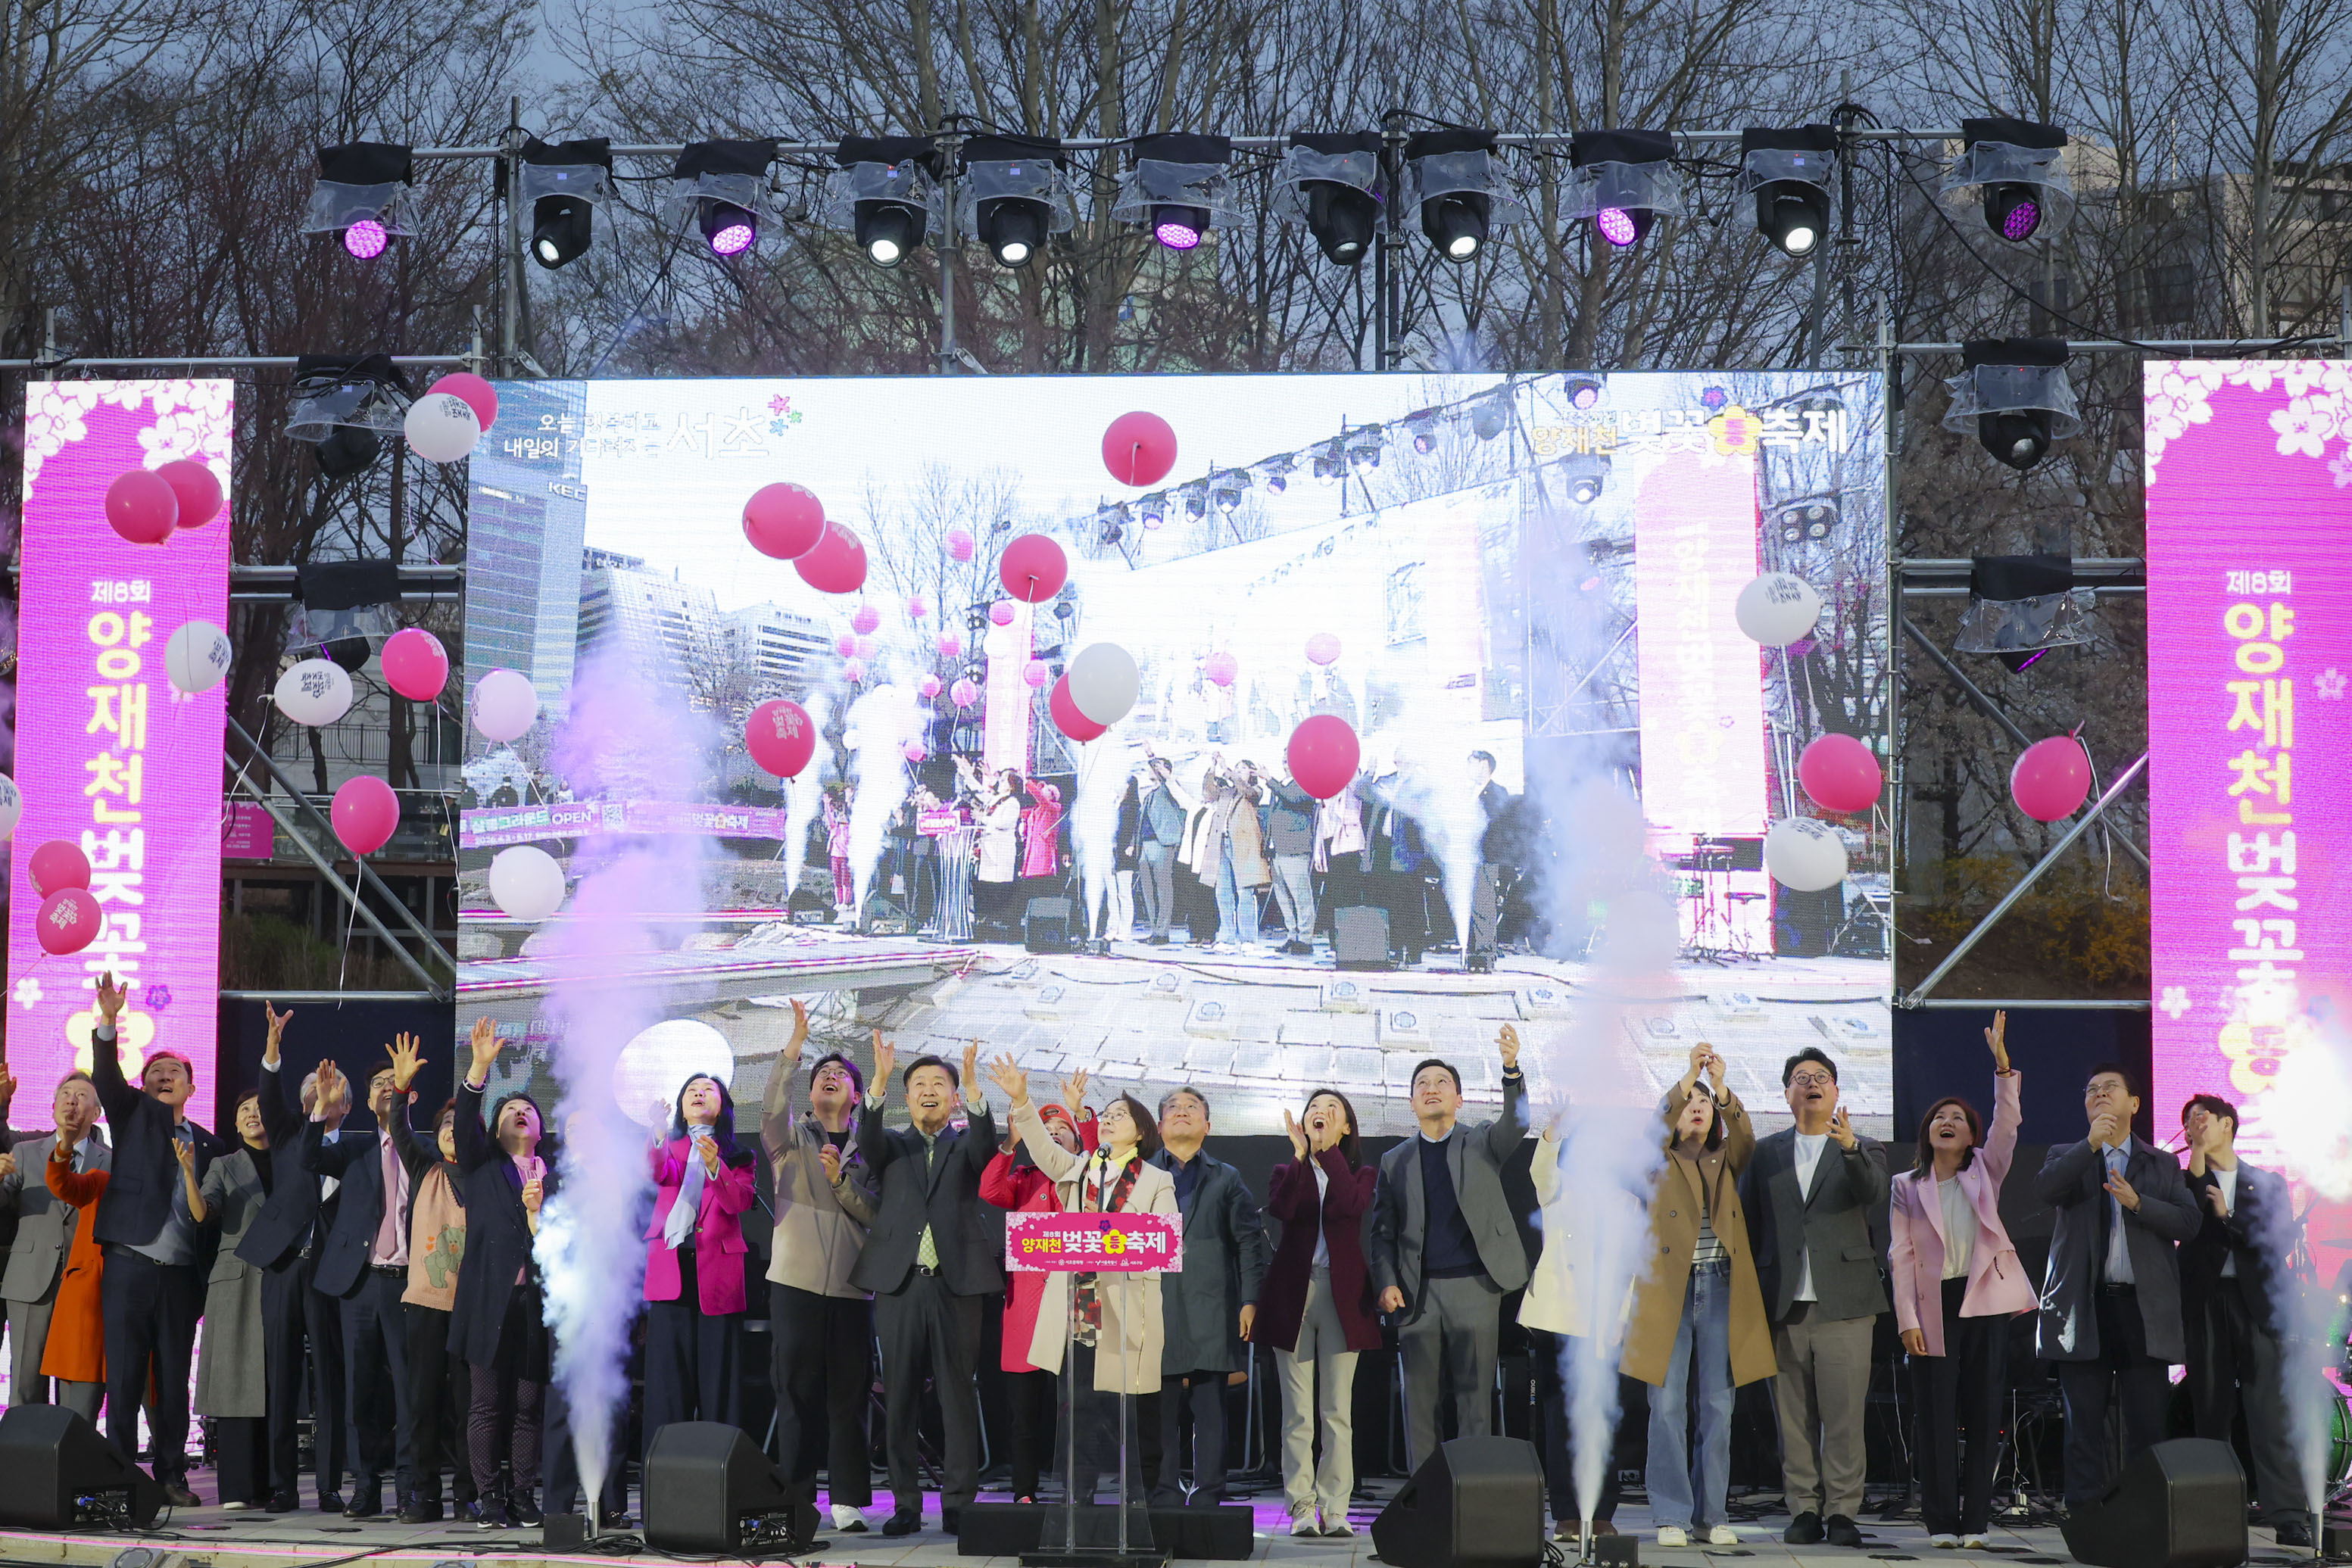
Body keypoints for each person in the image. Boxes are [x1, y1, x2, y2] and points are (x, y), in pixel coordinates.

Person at [987, 1058, 1177, 1506]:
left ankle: (1141, 1498)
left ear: (1141, 1132)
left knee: (1136, 1409)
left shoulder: (1157, 1179)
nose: (1108, 1120)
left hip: (1128, 1309)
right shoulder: (1079, 1169)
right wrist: (1021, 1100)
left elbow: (1164, 1243)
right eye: (1104, 1115)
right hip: (1079, 1306)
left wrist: (1099, 1238)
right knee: (1080, 1408)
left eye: (1119, 1115)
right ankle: (1080, 1494)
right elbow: (1041, 1147)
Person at [1888, 1012, 2032, 1550]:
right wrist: (1907, 1319)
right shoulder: (1906, 1185)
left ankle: (1976, 1523)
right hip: (1933, 1307)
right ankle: (1942, 1522)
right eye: (1938, 1117)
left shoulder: (1985, 1171)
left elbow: (2007, 1127)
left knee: (1983, 1411)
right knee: (1935, 1416)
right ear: (1928, 1132)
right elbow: (1901, 1255)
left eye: (1957, 1118)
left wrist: (2003, 1070)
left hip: (1983, 1303)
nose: (1946, 1121)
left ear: (1971, 1135)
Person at [1739, 1046, 1889, 1548]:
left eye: (1821, 1076)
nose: (1811, 1084)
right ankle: (1803, 1508)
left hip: (1845, 1303)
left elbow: (1874, 1193)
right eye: (1801, 1078)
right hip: (1783, 1304)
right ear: (1787, 1094)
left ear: (1836, 1091)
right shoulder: (1765, 1152)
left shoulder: (1863, 1146)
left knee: (1843, 1418)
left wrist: (1849, 1148)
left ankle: (1843, 1511)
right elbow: (1749, 1221)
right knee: (1793, 1420)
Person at [2034, 1061, 2200, 1510]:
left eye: (2111, 1088)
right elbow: (2046, 1190)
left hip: (2143, 1310)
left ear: (2135, 1103)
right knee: (2083, 1424)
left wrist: (2139, 1203)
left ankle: (2145, 1515)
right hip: (2083, 1307)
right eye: (2092, 1090)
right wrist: (2090, 1146)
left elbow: (2190, 1222)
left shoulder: (2162, 1163)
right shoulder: (2065, 1154)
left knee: (2147, 1423)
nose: (2100, 1094)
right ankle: (2086, 1518)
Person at [1627, 1046, 1773, 1551]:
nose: (1697, 1106)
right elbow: (1652, 1132)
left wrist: (1722, 1087)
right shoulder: (1657, 1158)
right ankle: (1671, 1513)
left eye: (1704, 1102)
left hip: (1721, 1286)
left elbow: (1746, 1137)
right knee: (1666, 1405)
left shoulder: (1728, 1156)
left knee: (1717, 1406)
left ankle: (1712, 1514)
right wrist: (1690, 1075)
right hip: (1668, 1289)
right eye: (1689, 1101)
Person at [850, 1040, 999, 1536]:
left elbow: (986, 1148)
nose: (929, 1090)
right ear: (907, 1097)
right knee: (900, 1397)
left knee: (958, 1396)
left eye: (940, 1084)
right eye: (919, 1084)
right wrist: (878, 1080)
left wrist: (975, 1088)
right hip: (901, 1286)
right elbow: (867, 1137)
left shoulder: (966, 1144)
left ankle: (958, 1502)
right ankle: (906, 1504)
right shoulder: (892, 1146)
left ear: (953, 1097)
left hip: (958, 1286)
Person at [87, 970, 223, 1505]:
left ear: (192, 1086)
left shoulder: (210, 1145)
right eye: (156, 1072)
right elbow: (106, 1078)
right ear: (144, 1085)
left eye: (176, 1072)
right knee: (123, 1379)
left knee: (172, 1381)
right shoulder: (131, 1114)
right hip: (130, 1266)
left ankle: (171, 1474)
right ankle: (121, 1478)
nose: (165, 1076)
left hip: (182, 1277)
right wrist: (109, 1021)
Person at [1370, 1028, 1530, 1471]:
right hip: (1416, 1293)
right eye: (1422, 1084)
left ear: (1459, 1099)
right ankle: (1425, 1496)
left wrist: (1511, 1070)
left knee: (1475, 1399)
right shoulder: (1394, 1161)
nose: (1432, 1088)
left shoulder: (1481, 1141)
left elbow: (1517, 1122)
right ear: (1412, 1103)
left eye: (1442, 1082)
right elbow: (1381, 1231)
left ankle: (1474, 1491)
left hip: (1476, 1287)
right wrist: (1386, 1282)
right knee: (1419, 1403)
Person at [763, 1002, 880, 1532]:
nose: (830, 1077)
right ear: (811, 1093)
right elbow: (772, 1104)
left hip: (854, 1289)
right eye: (822, 1074)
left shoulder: (870, 1151)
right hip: (795, 1283)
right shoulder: (790, 1141)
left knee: (850, 1396)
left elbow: (876, 1214)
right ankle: (796, 1496)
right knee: (796, 1394)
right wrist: (795, 1047)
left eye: (841, 1074)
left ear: (856, 1094)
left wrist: (840, 1182)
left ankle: (848, 1499)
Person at [2179, 1091, 2313, 1548]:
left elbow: (2277, 1241)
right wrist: (2198, 1163)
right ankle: (2211, 1514)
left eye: (2203, 1117)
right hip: (2205, 1302)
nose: (2195, 1125)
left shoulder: (2268, 1182)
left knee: (2269, 1410)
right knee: (2210, 1409)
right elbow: (2186, 1221)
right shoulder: (2185, 1179)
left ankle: (2289, 1516)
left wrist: (2229, 1216)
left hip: (2257, 1304)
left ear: (2228, 1125)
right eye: (2188, 1121)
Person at [1251, 1089, 1377, 1536]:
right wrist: (1303, 1157)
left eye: (1330, 1110)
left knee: (1336, 1410)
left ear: (1346, 1126)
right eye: (1313, 1110)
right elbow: (1283, 1209)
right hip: (1293, 1294)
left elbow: (1353, 1204)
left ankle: (1336, 1508)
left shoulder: (1361, 1173)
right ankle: (1302, 1506)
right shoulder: (1288, 1170)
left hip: (1343, 1297)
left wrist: (1328, 1154)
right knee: (1298, 1413)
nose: (1319, 1114)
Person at [304, 1049, 423, 1519]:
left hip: (410, 1284)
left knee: (409, 1393)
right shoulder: (353, 1149)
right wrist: (321, 1108)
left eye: (396, 1080)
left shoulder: (425, 1150)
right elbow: (309, 1157)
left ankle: (410, 1489)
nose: (387, 1087)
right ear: (367, 1100)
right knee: (359, 1390)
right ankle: (366, 1487)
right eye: (378, 1083)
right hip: (360, 1284)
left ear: (410, 1092)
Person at [1521, 1096, 1645, 1542]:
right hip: (1558, 1319)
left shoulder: (1628, 1204)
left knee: (1604, 1414)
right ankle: (1566, 1513)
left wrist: (1621, 1319)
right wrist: (1553, 1129)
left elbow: (1631, 1270)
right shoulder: (1560, 1186)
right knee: (1559, 1416)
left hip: (1603, 1323)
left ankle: (1603, 1510)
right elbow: (1539, 1171)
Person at [242, 1003, 351, 1512]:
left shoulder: (357, 1152)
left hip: (330, 1275)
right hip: (284, 1266)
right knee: (282, 1378)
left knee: (328, 1378)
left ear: (346, 1105)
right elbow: (269, 1094)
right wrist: (273, 1047)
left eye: (331, 1088)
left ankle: (328, 1485)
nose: (321, 1091)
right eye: (313, 1087)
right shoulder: (287, 1134)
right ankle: (283, 1485)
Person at [451, 1018, 555, 1529]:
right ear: (495, 1130)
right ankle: (489, 1495)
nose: (520, 1112)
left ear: (540, 1128)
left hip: (537, 1304)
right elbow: (463, 1123)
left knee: (529, 1405)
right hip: (488, 1301)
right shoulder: (483, 1167)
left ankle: (523, 1495)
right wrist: (479, 1068)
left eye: (528, 1109)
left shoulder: (557, 1175)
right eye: (510, 1109)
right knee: (487, 1404)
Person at [1149, 1087, 1269, 1507]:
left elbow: (1248, 1243)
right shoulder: (1139, 1175)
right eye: (1173, 1108)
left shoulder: (1226, 1177)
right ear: (1159, 1125)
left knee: (1211, 1410)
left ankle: (1208, 1495)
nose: (1181, 1112)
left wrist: (1250, 1300)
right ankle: (1163, 1493)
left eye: (1191, 1108)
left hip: (1212, 1305)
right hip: (1155, 1305)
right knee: (1159, 1411)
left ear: (1208, 1125)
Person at [980, 1077, 1095, 1504]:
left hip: (1077, 1306)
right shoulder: (1023, 1179)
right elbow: (989, 1190)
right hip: (1026, 1311)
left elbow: (1097, 1152)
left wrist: (1081, 1114)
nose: (1053, 1135)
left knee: (1079, 1409)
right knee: (1024, 1412)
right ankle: (1024, 1492)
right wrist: (1010, 1143)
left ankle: (1079, 1492)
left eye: (1062, 1129)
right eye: (1044, 1131)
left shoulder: (1088, 1179)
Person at [383, 1033, 476, 1525]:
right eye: (445, 1126)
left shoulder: (488, 1176)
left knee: (469, 1407)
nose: (452, 1132)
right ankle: (423, 1494)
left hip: (471, 1308)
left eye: (461, 1126)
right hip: (424, 1303)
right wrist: (400, 1089)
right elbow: (400, 1128)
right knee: (422, 1403)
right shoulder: (425, 1169)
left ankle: (467, 1494)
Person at [641, 1071, 757, 1448]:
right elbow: (656, 1173)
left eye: (709, 1090)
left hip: (718, 1279)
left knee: (719, 1386)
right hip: (671, 1275)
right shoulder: (670, 1148)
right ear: (682, 1106)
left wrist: (715, 1167)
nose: (699, 1093)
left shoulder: (739, 1156)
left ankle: (720, 1470)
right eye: (691, 1089)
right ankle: (663, 1472)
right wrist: (658, 1134)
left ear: (721, 1107)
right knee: (667, 1388)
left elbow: (739, 1202)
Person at [0, 1065, 109, 1419]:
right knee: (26, 1383)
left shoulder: (111, 1161)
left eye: (82, 1096)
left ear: (97, 1113)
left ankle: (73, 1450)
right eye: (65, 1094)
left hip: (85, 1286)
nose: (72, 1101)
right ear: (53, 1107)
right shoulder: (26, 1151)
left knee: (78, 1387)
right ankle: (21, 1451)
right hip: (30, 1279)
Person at [191, 1089, 273, 1508]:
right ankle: (238, 1488)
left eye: (260, 1107)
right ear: (236, 1124)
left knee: (274, 1381)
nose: (252, 1114)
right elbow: (203, 1213)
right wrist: (187, 1174)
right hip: (236, 1279)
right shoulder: (223, 1165)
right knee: (236, 1379)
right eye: (244, 1110)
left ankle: (275, 1485)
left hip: (281, 1278)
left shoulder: (292, 1161)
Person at [34, 1116, 111, 1443]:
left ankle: (162, 1470)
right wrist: (64, 1146)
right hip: (90, 1304)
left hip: (146, 1304)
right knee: (77, 1416)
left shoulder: (170, 1185)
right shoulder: (102, 1180)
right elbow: (62, 1184)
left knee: (152, 1403)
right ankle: (70, 1468)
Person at [1196, 762, 1268, 954]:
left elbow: (1247, 791)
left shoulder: (1255, 790)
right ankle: (1227, 937)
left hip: (1244, 846)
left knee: (1245, 892)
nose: (1237, 771)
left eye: (1242, 768)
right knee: (1223, 892)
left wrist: (1229, 772)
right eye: (1236, 768)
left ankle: (1248, 939)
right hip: (1221, 843)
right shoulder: (1226, 792)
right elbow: (1209, 792)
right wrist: (1212, 769)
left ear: (1251, 772)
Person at [1262, 768, 1319, 955]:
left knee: (1301, 896)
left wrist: (1270, 779)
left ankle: (1305, 939)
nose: (1286, 762)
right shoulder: (1282, 784)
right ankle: (1292, 935)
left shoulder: (1307, 782)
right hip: (1277, 850)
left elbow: (1293, 798)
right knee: (1283, 897)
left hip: (1295, 848)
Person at [1137, 755, 1193, 946]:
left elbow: (1170, 783)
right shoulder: (1149, 793)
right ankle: (1154, 929)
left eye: (1158, 768)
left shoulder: (1169, 787)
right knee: (1148, 890)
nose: (1152, 770)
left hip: (1162, 843)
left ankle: (1162, 932)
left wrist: (1152, 756)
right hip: (1145, 844)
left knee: (1163, 888)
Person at [823, 784, 854, 918]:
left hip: (846, 856)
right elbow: (830, 818)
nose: (841, 815)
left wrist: (849, 798)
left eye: (843, 813)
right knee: (837, 879)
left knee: (846, 880)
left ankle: (846, 902)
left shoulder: (851, 826)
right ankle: (839, 901)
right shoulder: (835, 827)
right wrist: (826, 805)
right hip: (835, 855)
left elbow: (850, 809)